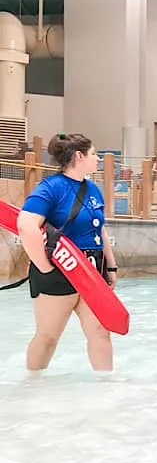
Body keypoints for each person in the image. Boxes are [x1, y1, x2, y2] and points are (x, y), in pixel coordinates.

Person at [15, 133, 119, 373]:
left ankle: (107, 389)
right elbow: (26, 225)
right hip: (59, 269)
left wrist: (110, 266)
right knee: (49, 336)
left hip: (92, 270)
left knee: (101, 332)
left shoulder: (92, 189)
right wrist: (44, 267)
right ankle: (33, 383)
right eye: (94, 154)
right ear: (79, 156)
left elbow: (99, 228)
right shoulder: (50, 188)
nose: (98, 159)